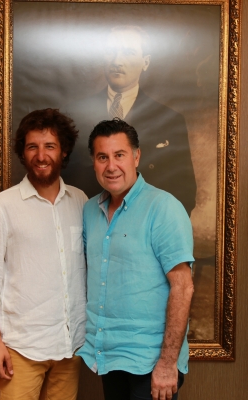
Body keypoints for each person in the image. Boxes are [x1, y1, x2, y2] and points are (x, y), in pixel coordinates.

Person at [0, 109, 87, 400]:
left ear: (63, 151)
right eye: (32, 147)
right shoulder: (2, 206)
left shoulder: (81, 202)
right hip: (21, 349)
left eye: (50, 146)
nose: (41, 155)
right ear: (23, 153)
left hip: (71, 347)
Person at [77, 119, 195, 400]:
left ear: (136, 157)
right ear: (94, 162)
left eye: (119, 155)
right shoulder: (89, 211)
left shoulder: (164, 208)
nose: (111, 166)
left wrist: (167, 364)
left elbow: (183, 287)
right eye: (102, 157)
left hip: (151, 363)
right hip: (107, 357)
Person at [63, 25, 197, 215]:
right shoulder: (73, 115)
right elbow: (63, 183)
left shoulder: (170, 120)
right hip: (89, 224)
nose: (117, 61)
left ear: (145, 62)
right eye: (111, 52)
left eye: (128, 53)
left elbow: (185, 192)